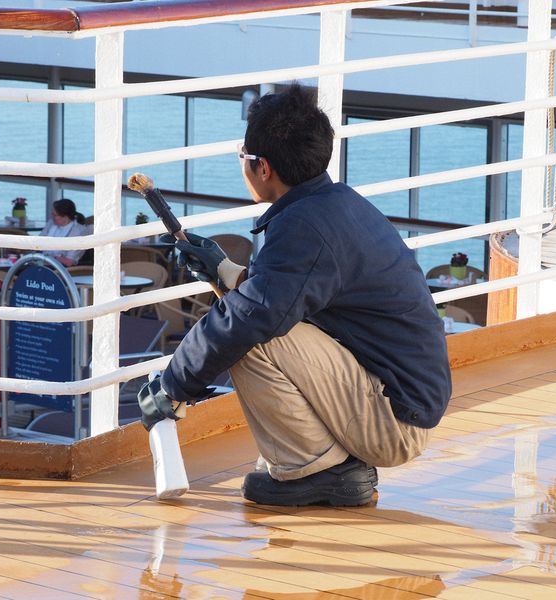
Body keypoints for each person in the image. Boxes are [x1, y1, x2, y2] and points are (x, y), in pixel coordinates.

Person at [137, 83, 452, 507]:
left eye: (243, 156)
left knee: (247, 336)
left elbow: (251, 318)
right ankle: (332, 464)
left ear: (263, 168)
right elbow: (299, 290)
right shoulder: (334, 204)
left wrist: (173, 386)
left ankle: (320, 470)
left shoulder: (305, 228)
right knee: (249, 317)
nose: (242, 165)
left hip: (393, 419)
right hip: (399, 398)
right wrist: (226, 270)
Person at [39, 198, 90, 267]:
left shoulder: (78, 232)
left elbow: (70, 261)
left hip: (64, 269)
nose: (52, 217)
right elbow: (39, 241)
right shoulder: (51, 223)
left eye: (55, 215)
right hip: (44, 262)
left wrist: (50, 257)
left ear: (65, 216)